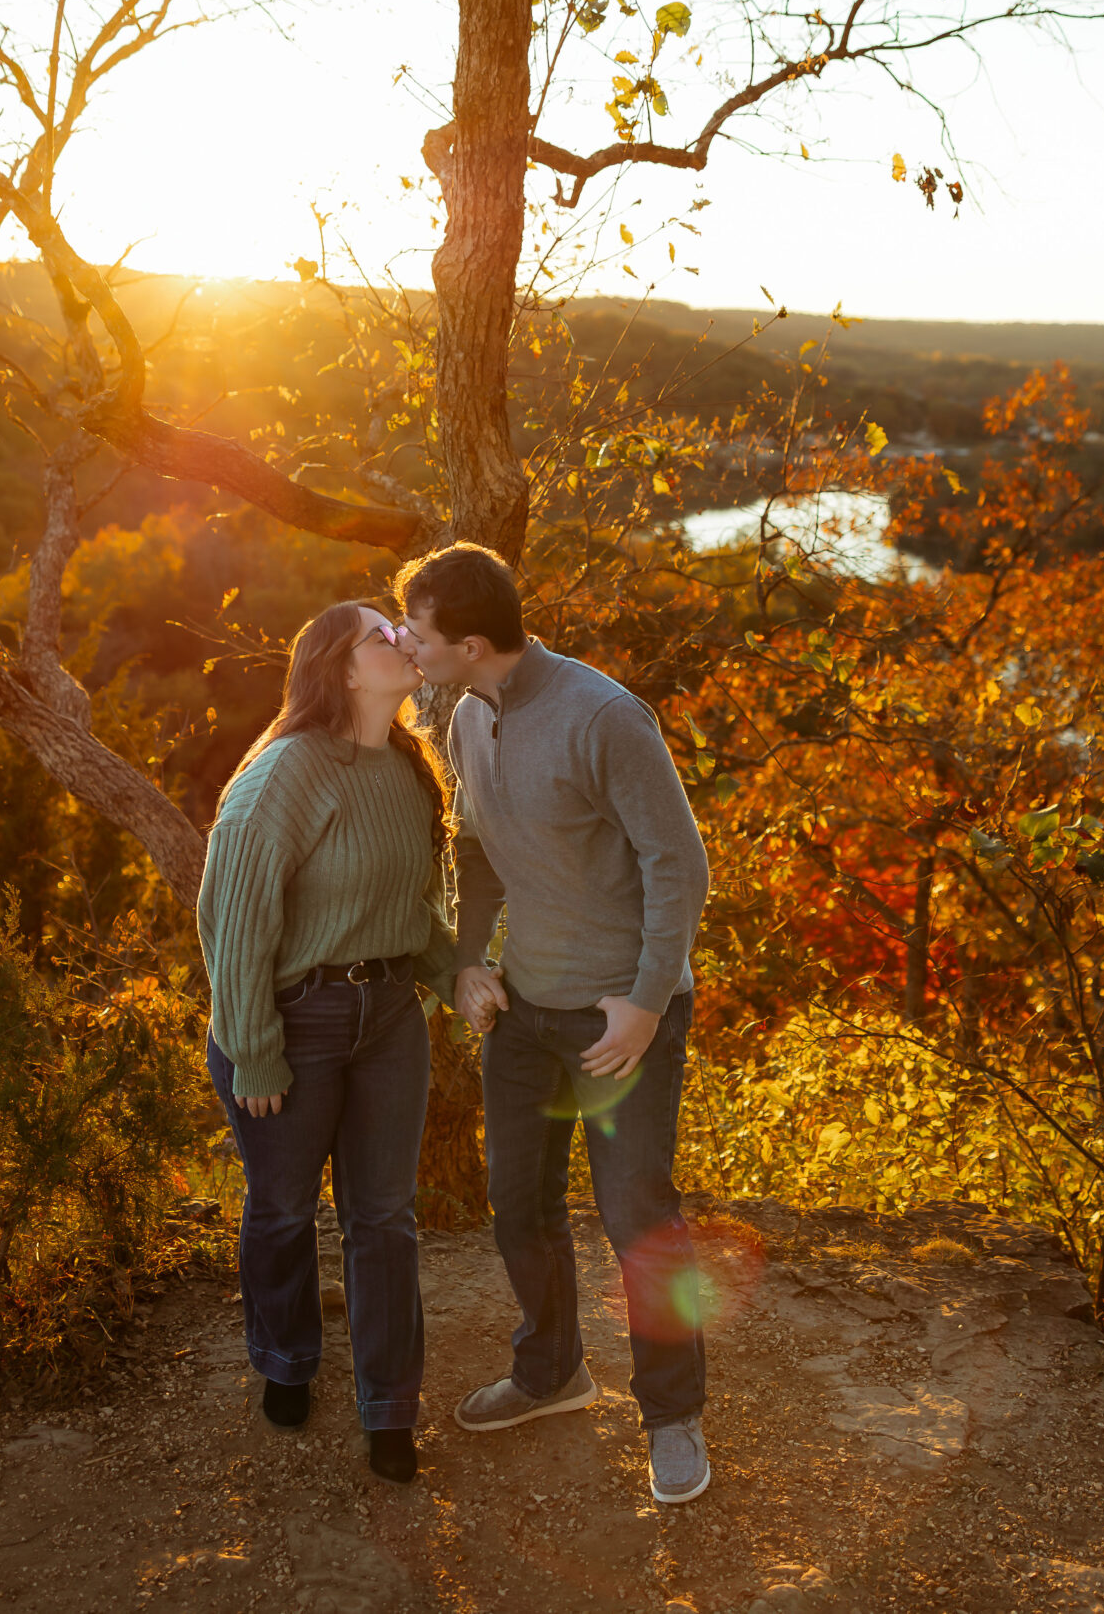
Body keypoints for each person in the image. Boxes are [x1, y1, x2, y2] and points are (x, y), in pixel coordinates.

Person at [394, 544, 717, 1505]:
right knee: (518, 1203)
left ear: (472, 641)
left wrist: (649, 1001)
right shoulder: (463, 712)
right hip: (526, 1014)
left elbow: (679, 864)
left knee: (636, 1217)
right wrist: (468, 961)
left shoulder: (605, 716)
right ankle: (552, 1373)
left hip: (622, 1017)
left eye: (418, 630)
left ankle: (673, 1418)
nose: (406, 641)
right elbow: (479, 848)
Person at [197, 600, 459, 1486]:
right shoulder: (285, 774)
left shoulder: (411, 769)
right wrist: (254, 1050)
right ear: (343, 669)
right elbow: (234, 922)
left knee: (383, 1219)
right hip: (287, 1023)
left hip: (388, 1019)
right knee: (280, 1209)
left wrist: (458, 973)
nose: (403, 641)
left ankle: (389, 1408)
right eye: (382, 634)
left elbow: (408, 915)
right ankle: (285, 1359)